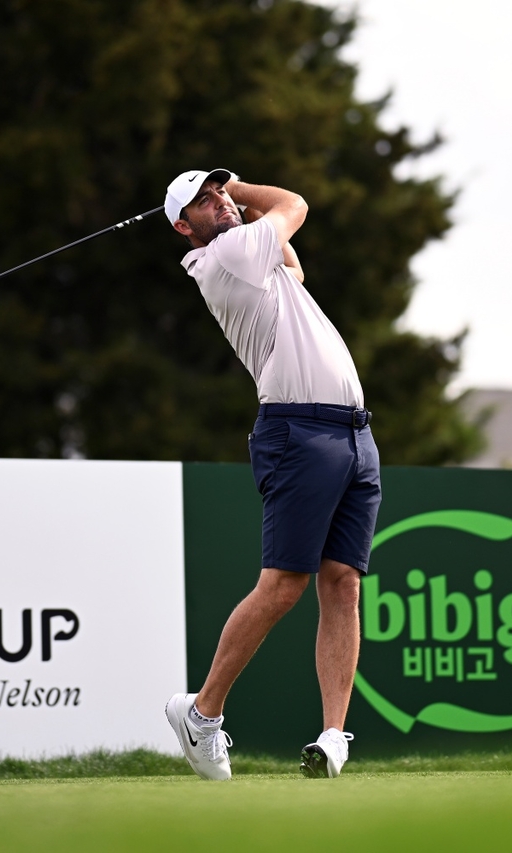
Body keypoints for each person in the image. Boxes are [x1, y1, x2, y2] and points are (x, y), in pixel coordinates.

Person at [162, 168, 381, 780]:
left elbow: (294, 266)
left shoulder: (256, 257)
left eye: (219, 192)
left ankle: (333, 736)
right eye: (204, 202)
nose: (219, 202)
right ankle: (201, 714)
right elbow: (295, 204)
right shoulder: (226, 255)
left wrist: (237, 202)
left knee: (343, 582)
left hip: (353, 433)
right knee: (284, 584)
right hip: (297, 430)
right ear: (184, 227)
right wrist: (242, 187)